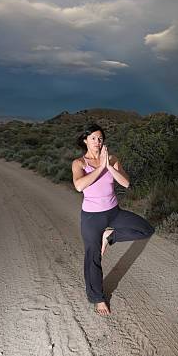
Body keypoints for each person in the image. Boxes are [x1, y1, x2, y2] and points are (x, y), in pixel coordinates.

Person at [72, 123, 155, 316]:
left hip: (113, 212)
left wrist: (108, 165)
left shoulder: (112, 159)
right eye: (93, 138)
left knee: (146, 229)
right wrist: (100, 167)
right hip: (92, 216)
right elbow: (79, 186)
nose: (97, 142)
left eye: (100, 138)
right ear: (85, 140)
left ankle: (110, 236)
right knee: (93, 256)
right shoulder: (79, 163)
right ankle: (98, 298)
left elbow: (125, 183)